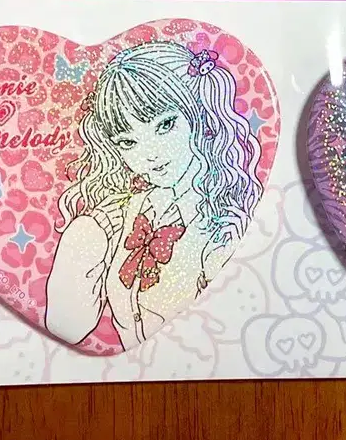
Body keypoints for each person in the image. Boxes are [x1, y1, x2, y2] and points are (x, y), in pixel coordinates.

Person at [45, 42, 262, 349]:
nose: (150, 154)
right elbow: (66, 326)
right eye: (128, 142)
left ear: (199, 113)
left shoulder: (228, 223)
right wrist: (83, 244)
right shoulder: (113, 221)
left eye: (165, 125)